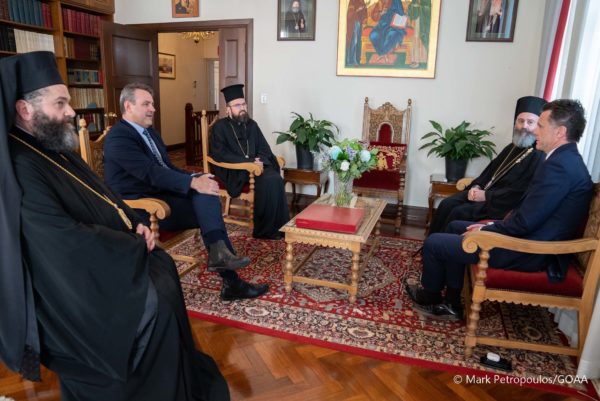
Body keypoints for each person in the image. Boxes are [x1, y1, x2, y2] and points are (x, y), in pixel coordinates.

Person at [0, 52, 230, 400]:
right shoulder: (21, 164)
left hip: (104, 257)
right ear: (24, 110)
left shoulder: (54, 147)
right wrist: (132, 244)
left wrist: (135, 223)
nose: (71, 112)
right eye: (60, 103)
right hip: (72, 287)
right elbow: (61, 241)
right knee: (157, 299)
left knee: (164, 268)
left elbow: (105, 193)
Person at [406, 99, 594, 321]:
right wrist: (492, 225)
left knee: (435, 243)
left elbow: (526, 222)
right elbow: (530, 214)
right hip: (530, 238)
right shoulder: (564, 160)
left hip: (531, 250)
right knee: (455, 226)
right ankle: (452, 302)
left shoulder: (560, 167)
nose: (535, 131)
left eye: (541, 125)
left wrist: (488, 230)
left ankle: (432, 296)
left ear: (560, 132)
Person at [103, 82, 269, 301]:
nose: (153, 108)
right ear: (128, 106)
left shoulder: (150, 133)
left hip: (162, 196)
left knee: (206, 187)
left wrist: (196, 177)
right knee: (205, 200)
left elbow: (167, 168)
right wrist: (192, 183)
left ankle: (225, 265)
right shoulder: (118, 137)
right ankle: (230, 278)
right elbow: (151, 173)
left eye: (152, 104)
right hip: (141, 208)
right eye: (146, 104)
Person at [427, 96, 547, 235]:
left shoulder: (538, 155)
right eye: (520, 121)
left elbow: (519, 191)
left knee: (458, 212)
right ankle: (431, 243)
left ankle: (443, 246)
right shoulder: (512, 147)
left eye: (530, 122)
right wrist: (477, 186)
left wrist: (486, 196)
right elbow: (490, 171)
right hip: (484, 193)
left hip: (501, 203)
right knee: (446, 203)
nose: (524, 126)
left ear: (538, 126)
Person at [209, 84, 290, 240]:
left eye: (244, 104)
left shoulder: (251, 125)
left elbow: (264, 148)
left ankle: (280, 228)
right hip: (234, 171)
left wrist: (260, 161)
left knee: (274, 178)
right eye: (237, 105)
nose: (242, 108)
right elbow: (220, 154)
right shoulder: (220, 127)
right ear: (228, 109)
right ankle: (265, 231)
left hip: (254, 167)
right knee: (269, 180)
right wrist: (249, 162)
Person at [346, 0, 368, 67]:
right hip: (353, 22)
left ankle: (357, 60)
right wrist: (358, 9)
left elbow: (365, 12)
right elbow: (350, 13)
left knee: (358, 41)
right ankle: (352, 60)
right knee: (354, 41)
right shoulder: (352, 1)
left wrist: (365, 17)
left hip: (359, 23)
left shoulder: (362, 1)